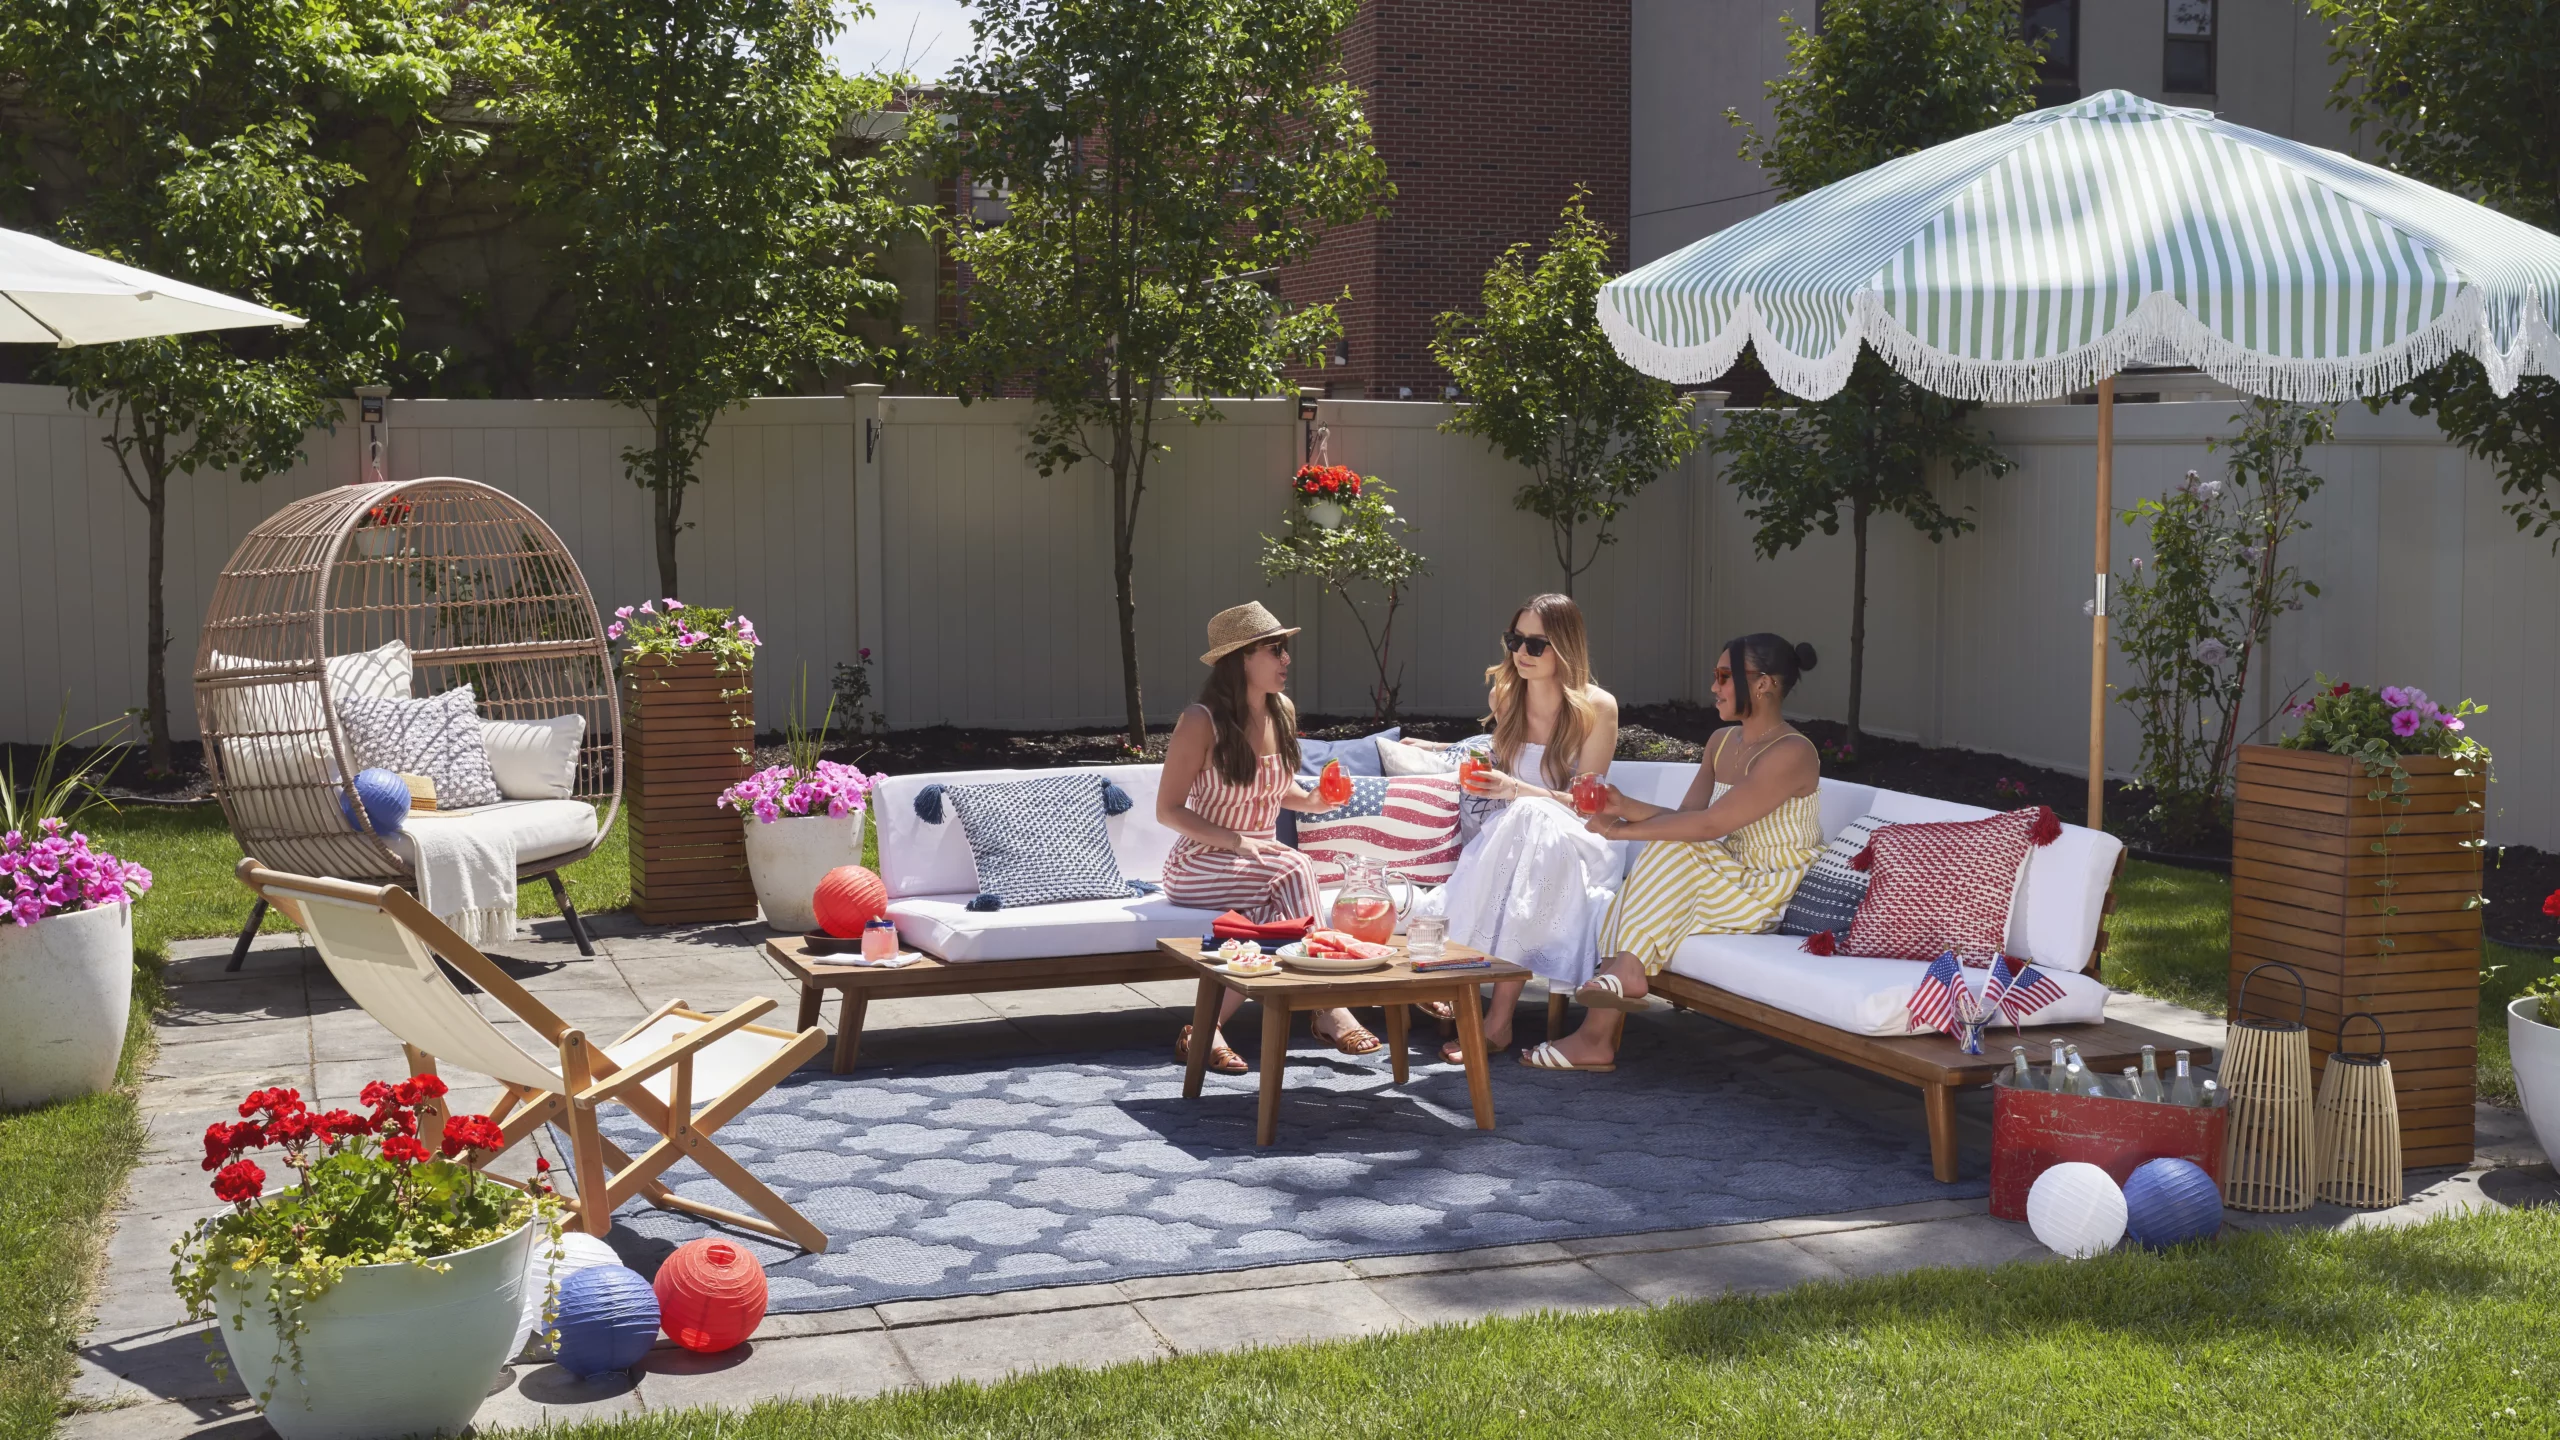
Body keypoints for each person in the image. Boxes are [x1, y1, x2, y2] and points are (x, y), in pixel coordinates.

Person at [1522, 633, 1824, 1073]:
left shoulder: (1792, 752)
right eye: (1716, 675)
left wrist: (1622, 831)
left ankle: (1601, 1023)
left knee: (1673, 846)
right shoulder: (1721, 742)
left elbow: (1709, 826)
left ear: (1763, 683)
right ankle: (1609, 1007)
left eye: (1724, 676)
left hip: (1765, 887)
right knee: (1672, 845)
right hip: (1722, 871)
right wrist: (1624, 806)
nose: (1714, 686)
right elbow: (1688, 818)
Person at [1160, 601, 1379, 1073]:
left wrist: (1315, 801)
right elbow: (1168, 810)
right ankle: (1330, 1006)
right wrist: (1236, 841)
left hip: (1261, 866)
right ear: (1240, 658)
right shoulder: (1200, 720)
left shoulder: (1281, 711)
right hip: (1199, 862)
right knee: (1296, 865)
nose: (1286, 659)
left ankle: (1203, 1031)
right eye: (1275, 649)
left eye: (1284, 649)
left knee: (1266, 923)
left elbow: (1276, 790)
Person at [1400, 593, 1619, 1063]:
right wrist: (1444, 753)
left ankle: (1493, 1020)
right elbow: (1491, 763)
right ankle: (1486, 1014)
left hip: (1576, 840)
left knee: (1530, 815)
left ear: (1565, 647)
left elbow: (1588, 806)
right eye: (1514, 640)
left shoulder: (1597, 707)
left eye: (1535, 645)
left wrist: (1516, 790)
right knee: (1522, 822)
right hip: (1511, 840)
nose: (1521, 652)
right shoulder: (1504, 696)